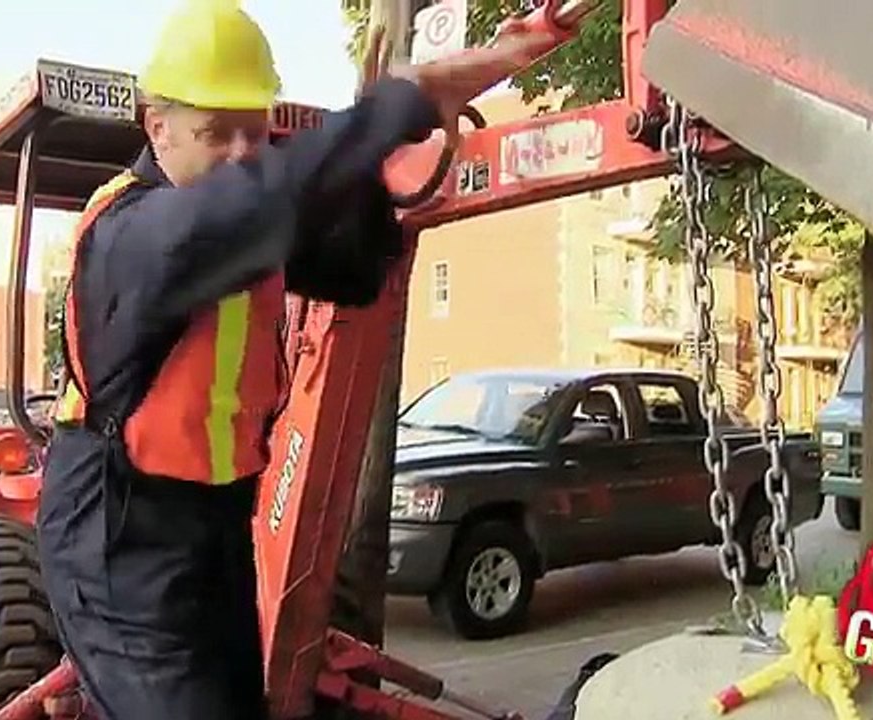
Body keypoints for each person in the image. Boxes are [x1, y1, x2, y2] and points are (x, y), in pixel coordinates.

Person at [36, 0, 545, 718]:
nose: (244, 151)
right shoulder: (134, 233)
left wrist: (375, 166)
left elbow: (355, 270)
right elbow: (251, 206)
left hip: (210, 527)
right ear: (158, 126)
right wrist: (403, 101)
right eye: (217, 132)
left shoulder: (238, 222)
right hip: (117, 538)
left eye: (256, 129)